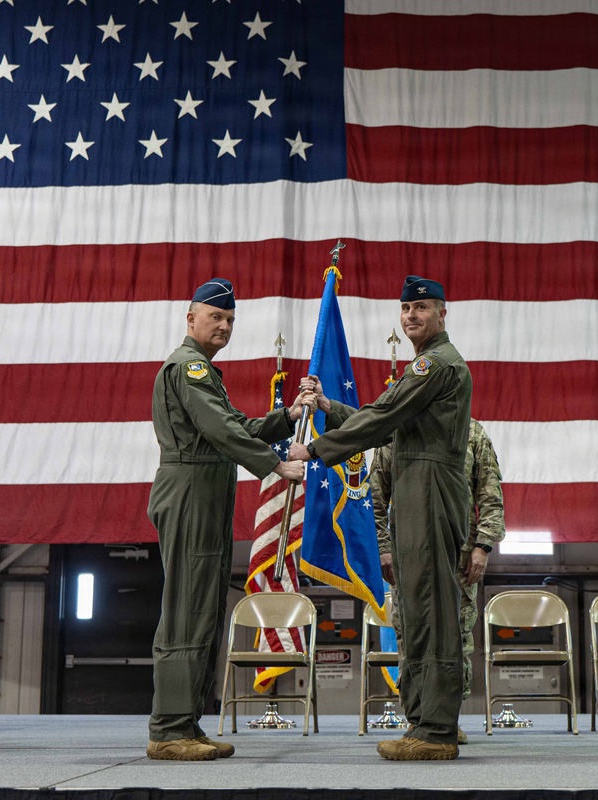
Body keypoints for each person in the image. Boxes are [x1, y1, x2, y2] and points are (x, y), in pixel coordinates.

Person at [289, 275, 472, 761]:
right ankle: (425, 721)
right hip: (417, 488)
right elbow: (390, 423)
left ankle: (435, 730)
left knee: (429, 609)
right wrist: (329, 407)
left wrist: (316, 449)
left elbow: (384, 415)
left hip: (429, 490)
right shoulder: (426, 364)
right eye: (406, 309)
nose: (411, 315)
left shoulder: (436, 364)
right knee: (415, 609)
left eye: (421, 308)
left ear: (442, 313)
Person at [146, 278, 311, 762]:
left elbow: (236, 425)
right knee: (187, 610)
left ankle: (186, 723)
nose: (224, 325)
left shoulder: (204, 373)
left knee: (204, 609)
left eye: (230, 320)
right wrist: (275, 464)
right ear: (190, 317)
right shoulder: (190, 366)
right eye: (215, 316)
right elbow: (220, 428)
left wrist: (287, 416)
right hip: (191, 491)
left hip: (205, 491)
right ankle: (168, 728)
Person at [371, 418, 505, 745]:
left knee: (457, 637)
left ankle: (446, 719)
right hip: (408, 556)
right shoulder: (399, 427)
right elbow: (374, 495)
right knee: (411, 634)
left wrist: (483, 546)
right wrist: (383, 547)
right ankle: (418, 719)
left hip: (459, 559)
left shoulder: (471, 432)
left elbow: (490, 493)